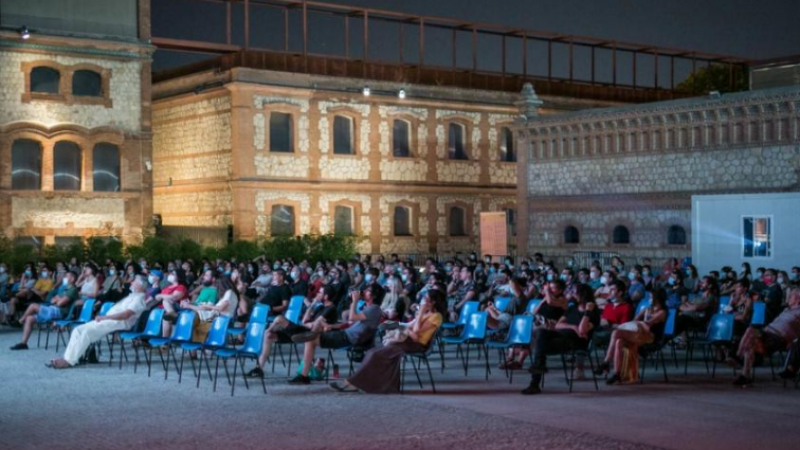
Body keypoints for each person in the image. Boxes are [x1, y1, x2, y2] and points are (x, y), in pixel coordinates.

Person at [330, 289, 446, 393]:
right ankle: (360, 384)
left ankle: (351, 383)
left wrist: (419, 314)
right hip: (407, 340)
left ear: (433, 302)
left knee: (376, 354)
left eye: (426, 299)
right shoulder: (426, 313)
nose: (423, 301)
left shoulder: (436, 316)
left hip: (416, 344)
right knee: (372, 352)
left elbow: (416, 332)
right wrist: (394, 325)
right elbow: (409, 326)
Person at [288, 283, 384, 385]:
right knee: (317, 329)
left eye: (368, 290)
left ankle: (304, 374)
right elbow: (350, 324)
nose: (364, 291)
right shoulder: (369, 308)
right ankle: (308, 335)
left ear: (374, 295)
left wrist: (355, 301)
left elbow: (352, 317)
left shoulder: (374, 309)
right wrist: (332, 326)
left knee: (310, 340)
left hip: (348, 338)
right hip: (345, 334)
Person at [45, 275, 148, 369]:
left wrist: (105, 317)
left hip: (118, 322)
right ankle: (68, 358)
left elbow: (125, 315)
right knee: (78, 329)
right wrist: (105, 318)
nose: (131, 283)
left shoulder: (139, 299)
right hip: (110, 320)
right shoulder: (132, 296)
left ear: (141, 285)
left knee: (87, 333)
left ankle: (69, 361)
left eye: (134, 281)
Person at [522, 283, 600, 395]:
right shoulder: (573, 308)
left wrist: (587, 312)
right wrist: (573, 326)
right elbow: (558, 325)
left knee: (540, 348)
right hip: (561, 336)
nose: (572, 294)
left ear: (582, 294)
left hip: (575, 342)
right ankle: (536, 376)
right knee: (541, 333)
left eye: (575, 292)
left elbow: (582, 330)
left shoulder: (594, 313)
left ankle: (535, 382)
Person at [247, 285, 340, 378]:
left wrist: (308, 324)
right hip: (302, 330)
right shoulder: (320, 307)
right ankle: (259, 368)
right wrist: (313, 303)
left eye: (320, 292)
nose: (317, 294)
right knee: (268, 335)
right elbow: (305, 320)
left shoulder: (330, 309)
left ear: (326, 296)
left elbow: (314, 325)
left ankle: (270, 329)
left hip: (309, 334)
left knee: (279, 318)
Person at [596, 288, 668, 384]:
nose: (649, 299)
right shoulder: (647, 308)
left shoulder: (662, 312)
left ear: (657, 299)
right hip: (638, 333)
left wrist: (645, 318)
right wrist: (642, 318)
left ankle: (606, 362)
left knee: (616, 333)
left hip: (650, 337)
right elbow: (635, 320)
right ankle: (617, 373)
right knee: (619, 342)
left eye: (651, 297)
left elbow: (648, 325)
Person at [731, 289, 800, 386]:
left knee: (751, 331)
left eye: (791, 296)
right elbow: (738, 312)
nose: (788, 298)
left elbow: (743, 316)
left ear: (798, 299)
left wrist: (794, 340)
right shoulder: (786, 310)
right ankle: (745, 376)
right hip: (766, 333)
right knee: (749, 341)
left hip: (778, 338)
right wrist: (738, 302)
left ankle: (738, 356)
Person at [9, 271, 79, 351]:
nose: (64, 278)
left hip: (60, 312)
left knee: (33, 306)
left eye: (67, 276)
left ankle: (20, 321)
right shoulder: (65, 289)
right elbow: (53, 300)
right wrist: (58, 299)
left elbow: (59, 303)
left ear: (72, 279)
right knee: (29, 318)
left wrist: (58, 299)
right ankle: (23, 343)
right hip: (53, 309)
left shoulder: (73, 290)